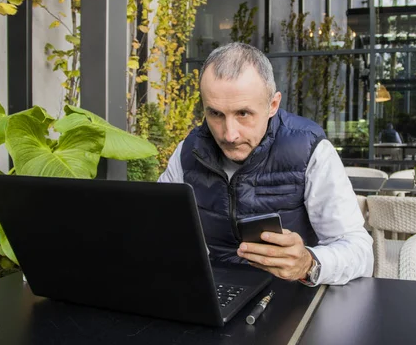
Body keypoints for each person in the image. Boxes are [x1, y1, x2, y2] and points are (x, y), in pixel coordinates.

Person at [158, 43, 373, 286]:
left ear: (272, 105)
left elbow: (360, 252)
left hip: (290, 299)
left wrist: (308, 263)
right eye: (215, 114)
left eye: (243, 114)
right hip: (211, 294)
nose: (229, 135)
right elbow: (158, 230)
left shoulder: (311, 150)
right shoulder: (187, 151)